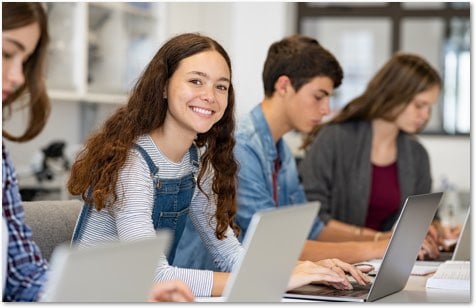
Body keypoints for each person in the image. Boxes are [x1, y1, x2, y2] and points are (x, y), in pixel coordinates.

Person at [67, 32, 370, 298]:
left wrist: (306, 269)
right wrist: (277, 279)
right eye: (196, 81)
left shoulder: (197, 162)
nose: (210, 96)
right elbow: (153, 275)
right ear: (163, 86)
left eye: (221, 87)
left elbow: (229, 254)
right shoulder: (133, 164)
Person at [173, 35, 439, 271]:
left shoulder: (281, 150)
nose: (326, 110)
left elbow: (310, 227)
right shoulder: (241, 146)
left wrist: (383, 239)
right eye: (319, 96)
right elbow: (275, 243)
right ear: (284, 86)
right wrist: (378, 248)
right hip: (211, 289)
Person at [2, 2, 194, 302]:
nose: (17, 77)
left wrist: (121, 292)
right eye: (6, 54)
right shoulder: (135, 163)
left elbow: (24, 276)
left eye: (23, 61)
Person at [299, 52, 454, 259]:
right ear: (394, 95)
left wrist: (438, 230)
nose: (425, 115)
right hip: (336, 265)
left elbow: (424, 216)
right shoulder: (335, 139)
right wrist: (381, 240)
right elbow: (312, 219)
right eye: (419, 105)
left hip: (389, 264)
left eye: (429, 107)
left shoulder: (416, 154)